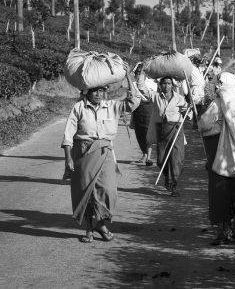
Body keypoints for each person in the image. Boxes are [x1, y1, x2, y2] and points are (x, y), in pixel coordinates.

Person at [61, 63, 141, 243]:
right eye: (95, 91)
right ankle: (89, 229)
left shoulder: (112, 106)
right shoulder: (79, 108)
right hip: (83, 151)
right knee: (86, 193)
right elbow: (68, 135)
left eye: (101, 91)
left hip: (105, 152)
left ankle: (101, 223)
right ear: (86, 92)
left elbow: (134, 101)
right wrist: (68, 160)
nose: (98, 94)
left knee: (108, 191)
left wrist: (129, 76)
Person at [198, 72, 235, 245]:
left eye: (216, 84)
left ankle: (224, 231)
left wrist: (199, 119)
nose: (214, 87)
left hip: (218, 153)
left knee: (219, 191)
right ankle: (230, 228)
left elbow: (204, 124)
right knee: (231, 189)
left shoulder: (217, 103)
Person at [138, 76, 191, 197]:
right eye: (164, 83)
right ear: (160, 85)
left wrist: (188, 109)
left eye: (168, 83)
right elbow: (141, 88)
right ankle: (169, 177)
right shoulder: (156, 96)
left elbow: (188, 115)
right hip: (162, 130)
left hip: (176, 130)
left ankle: (174, 185)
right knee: (161, 160)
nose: (166, 86)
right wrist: (141, 73)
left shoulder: (179, 98)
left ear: (172, 85)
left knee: (176, 159)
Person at [131, 62, 155, 166]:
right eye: (137, 72)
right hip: (137, 110)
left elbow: (151, 96)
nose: (138, 74)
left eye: (140, 72)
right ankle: (144, 154)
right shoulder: (132, 84)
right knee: (139, 133)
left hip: (148, 109)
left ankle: (148, 156)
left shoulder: (151, 83)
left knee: (147, 133)